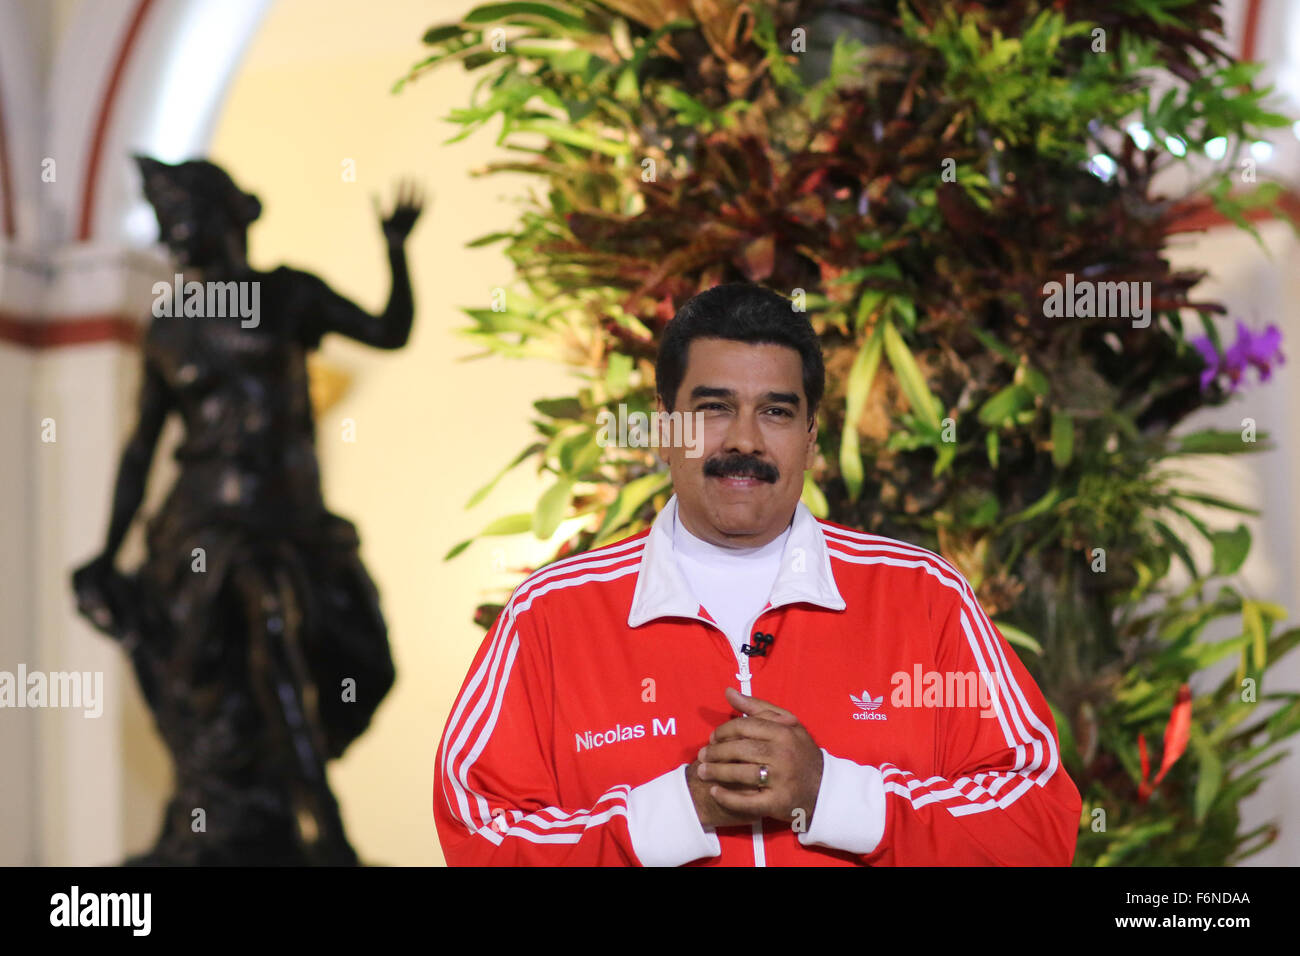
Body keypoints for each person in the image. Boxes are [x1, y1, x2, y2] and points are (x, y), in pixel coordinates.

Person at [433, 282, 1081, 866]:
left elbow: (1036, 822)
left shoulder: (923, 599)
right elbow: (483, 836)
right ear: (666, 428)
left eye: (774, 412)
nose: (744, 440)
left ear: (810, 436)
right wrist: (678, 812)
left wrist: (833, 794)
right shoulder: (551, 617)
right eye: (715, 408)